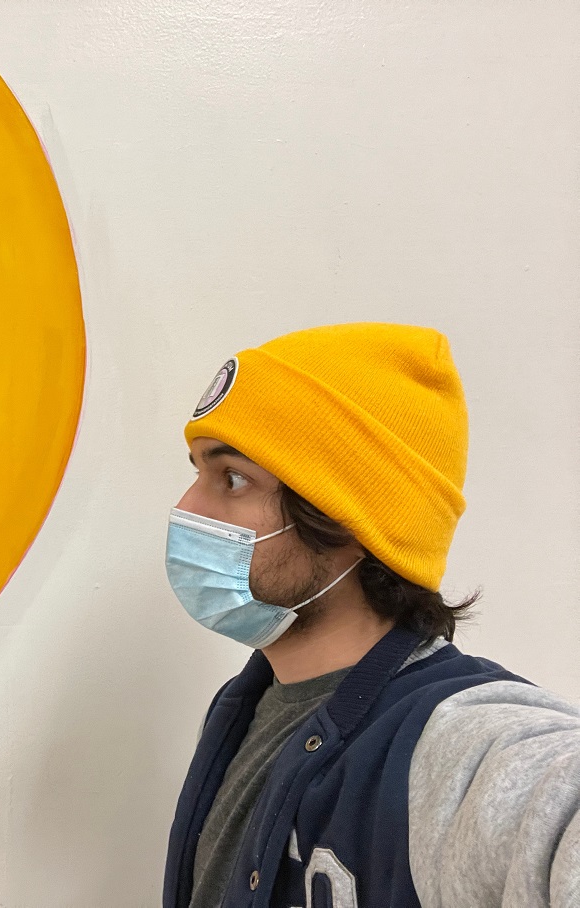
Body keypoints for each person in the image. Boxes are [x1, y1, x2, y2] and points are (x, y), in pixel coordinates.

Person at [161, 323, 580, 907]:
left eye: (232, 478)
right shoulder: (240, 709)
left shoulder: (451, 744)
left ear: (350, 521)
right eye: (197, 471)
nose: (187, 507)